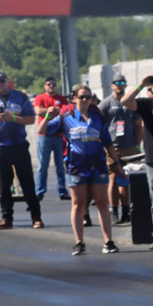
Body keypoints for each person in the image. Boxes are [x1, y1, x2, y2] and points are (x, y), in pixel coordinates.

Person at [0, 70, 43, 229]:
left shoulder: (20, 97)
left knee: (27, 182)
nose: (1, 84)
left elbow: (31, 119)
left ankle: (36, 216)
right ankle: (6, 218)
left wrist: (12, 118)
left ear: (8, 81)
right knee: (3, 184)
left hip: (19, 145)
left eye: (3, 81)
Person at [59, 85, 120, 255]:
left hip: (98, 165)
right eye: (81, 97)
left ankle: (108, 241)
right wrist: (48, 116)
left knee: (102, 202)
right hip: (76, 166)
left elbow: (107, 142)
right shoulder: (66, 118)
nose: (85, 100)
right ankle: (79, 242)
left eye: (88, 97)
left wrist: (117, 163)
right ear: (74, 98)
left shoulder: (97, 118)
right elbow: (44, 130)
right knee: (78, 204)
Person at [100, 75, 143, 224]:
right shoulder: (106, 104)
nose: (120, 86)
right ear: (112, 86)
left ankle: (126, 210)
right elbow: (99, 125)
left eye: (123, 83)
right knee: (112, 179)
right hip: (112, 147)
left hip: (130, 147)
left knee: (127, 179)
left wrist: (137, 145)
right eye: (117, 83)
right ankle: (114, 210)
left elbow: (139, 126)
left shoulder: (130, 103)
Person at [31, 76, 71, 202]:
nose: (51, 87)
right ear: (45, 86)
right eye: (49, 84)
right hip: (45, 136)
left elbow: (65, 111)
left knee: (60, 165)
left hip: (59, 136)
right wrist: (50, 110)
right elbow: (38, 111)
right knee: (43, 165)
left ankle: (62, 191)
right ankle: (39, 191)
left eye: (53, 84)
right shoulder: (40, 98)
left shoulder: (62, 98)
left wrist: (51, 111)